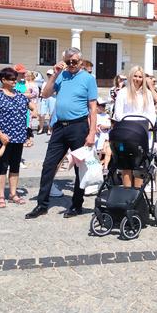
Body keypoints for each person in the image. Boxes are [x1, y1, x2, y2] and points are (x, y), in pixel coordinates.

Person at [26, 47, 97, 219]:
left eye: (74, 61)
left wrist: (92, 133)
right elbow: (45, 93)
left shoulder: (88, 79)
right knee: (48, 165)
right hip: (59, 126)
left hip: (79, 126)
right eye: (68, 62)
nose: (71, 65)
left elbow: (93, 108)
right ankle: (41, 205)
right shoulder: (62, 76)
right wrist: (55, 74)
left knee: (80, 167)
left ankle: (76, 205)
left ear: (80, 62)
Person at [0, 67, 34, 208]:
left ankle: (13, 193)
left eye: (16, 78)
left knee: (15, 167)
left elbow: (31, 106)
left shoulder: (20, 95)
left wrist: (34, 111)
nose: (15, 81)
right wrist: (0, 135)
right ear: (3, 80)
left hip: (19, 137)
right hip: (4, 138)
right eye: (12, 79)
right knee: (2, 167)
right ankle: (1, 195)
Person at [113, 65, 157, 188]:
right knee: (126, 164)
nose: (137, 79)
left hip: (142, 131)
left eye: (140, 77)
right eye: (135, 76)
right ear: (131, 77)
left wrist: (149, 124)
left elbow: (151, 113)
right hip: (126, 131)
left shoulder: (147, 93)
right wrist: (128, 124)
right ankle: (127, 192)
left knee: (140, 165)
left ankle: (137, 194)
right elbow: (118, 114)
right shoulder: (123, 92)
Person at [22, 71, 40, 147]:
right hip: (26, 105)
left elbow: (34, 94)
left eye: (26, 76)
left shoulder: (33, 84)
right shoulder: (27, 83)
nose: (24, 77)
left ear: (29, 76)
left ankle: (29, 140)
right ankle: (26, 139)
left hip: (30, 105)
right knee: (25, 122)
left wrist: (23, 95)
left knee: (28, 123)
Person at [38, 69, 56, 135]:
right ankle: (41, 128)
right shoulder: (45, 83)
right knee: (42, 114)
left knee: (51, 114)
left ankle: (49, 129)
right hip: (45, 99)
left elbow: (55, 92)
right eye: (48, 74)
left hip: (52, 99)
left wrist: (49, 92)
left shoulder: (55, 82)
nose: (49, 76)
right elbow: (42, 91)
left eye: (50, 75)